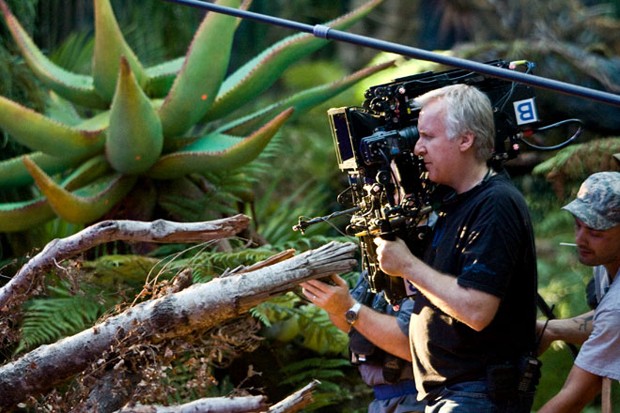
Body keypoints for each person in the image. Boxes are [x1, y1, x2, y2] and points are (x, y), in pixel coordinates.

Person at [373, 84, 540, 412]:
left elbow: (477, 310)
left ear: (465, 140)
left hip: (476, 394)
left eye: (427, 136)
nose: (417, 148)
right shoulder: (454, 203)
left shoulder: (495, 204)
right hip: (453, 393)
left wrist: (408, 266)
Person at [537, 171, 620, 413]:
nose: (581, 239)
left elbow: (573, 399)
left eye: (595, 232)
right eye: (578, 225)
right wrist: (550, 329)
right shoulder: (606, 260)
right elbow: (605, 321)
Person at [301, 273, 425, 413]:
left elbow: (413, 344)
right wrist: (333, 302)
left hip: (421, 398)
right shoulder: (373, 267)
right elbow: (351, 326)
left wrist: (349, 308)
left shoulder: (419, 268)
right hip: (382, 400)